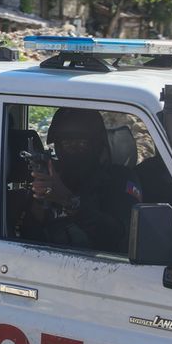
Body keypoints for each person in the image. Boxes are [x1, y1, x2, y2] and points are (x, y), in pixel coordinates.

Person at [21, 108, 142, 253]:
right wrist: (39, 201)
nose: (73, 149)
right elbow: (25, 240)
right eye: (67, 144)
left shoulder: (120, 179)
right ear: (58, 147)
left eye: (81, 143)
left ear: (97, 145)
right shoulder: (52, 176)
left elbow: (122, 238)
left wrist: (68, 200)